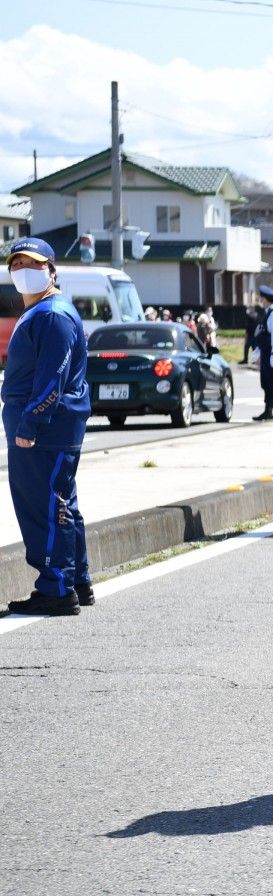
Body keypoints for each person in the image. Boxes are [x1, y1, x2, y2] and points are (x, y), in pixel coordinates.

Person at [1, 239, 91, 617]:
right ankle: (76, 580)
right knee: (62, 502)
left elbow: (51, 379)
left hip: (44, 428)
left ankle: (56, 587)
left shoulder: (51, 315)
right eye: (17, 264)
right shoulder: (43, 311)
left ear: (52, 270)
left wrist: (31, 423)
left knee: (45, 506)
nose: (24, 270)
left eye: (33, 264)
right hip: (51, 426)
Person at [252, 286, 273, 420]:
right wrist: (258, 351)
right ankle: (268, 410)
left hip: (272, 353)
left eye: (261, 298)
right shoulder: (267, 313)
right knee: (267, 382)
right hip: (266, 352)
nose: (260, 300)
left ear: (266, 299)